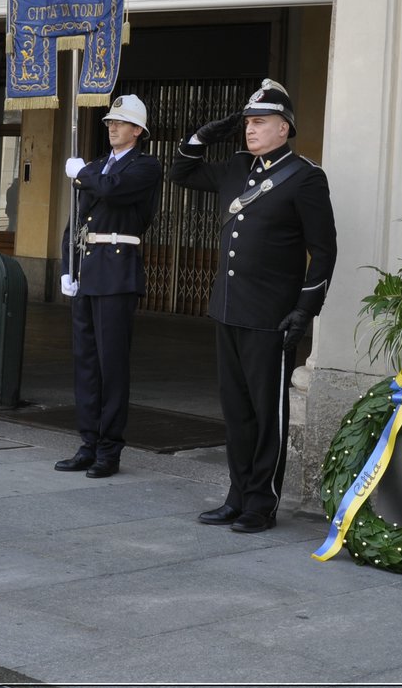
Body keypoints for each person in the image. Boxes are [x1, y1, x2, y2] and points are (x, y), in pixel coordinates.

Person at [168, 79, 337, 533]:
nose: (250, 130)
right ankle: (237, 495)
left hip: (271, 315)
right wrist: (207, 134)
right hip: (228, 308)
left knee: (267, 414)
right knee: (237, 410)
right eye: (247, 123)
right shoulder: (236, 170)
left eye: (260, 122)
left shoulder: (304, 177)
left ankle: (261, 503)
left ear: (285, 128)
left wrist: (306, 308)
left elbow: (323, 251)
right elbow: (180, 174)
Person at [53, 93, 163, 478]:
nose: (112, 127)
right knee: (86, 363)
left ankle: (110, 449)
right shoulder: (97, 167)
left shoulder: (146, 166)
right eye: (109, 123)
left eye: (120, 123)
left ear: (138, 130)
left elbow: (113, 190)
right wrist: (68, 266)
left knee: (111, 364)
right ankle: (88, 442)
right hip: (87, 269)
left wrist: (82, 174)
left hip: (117, 272)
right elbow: (77, 221)